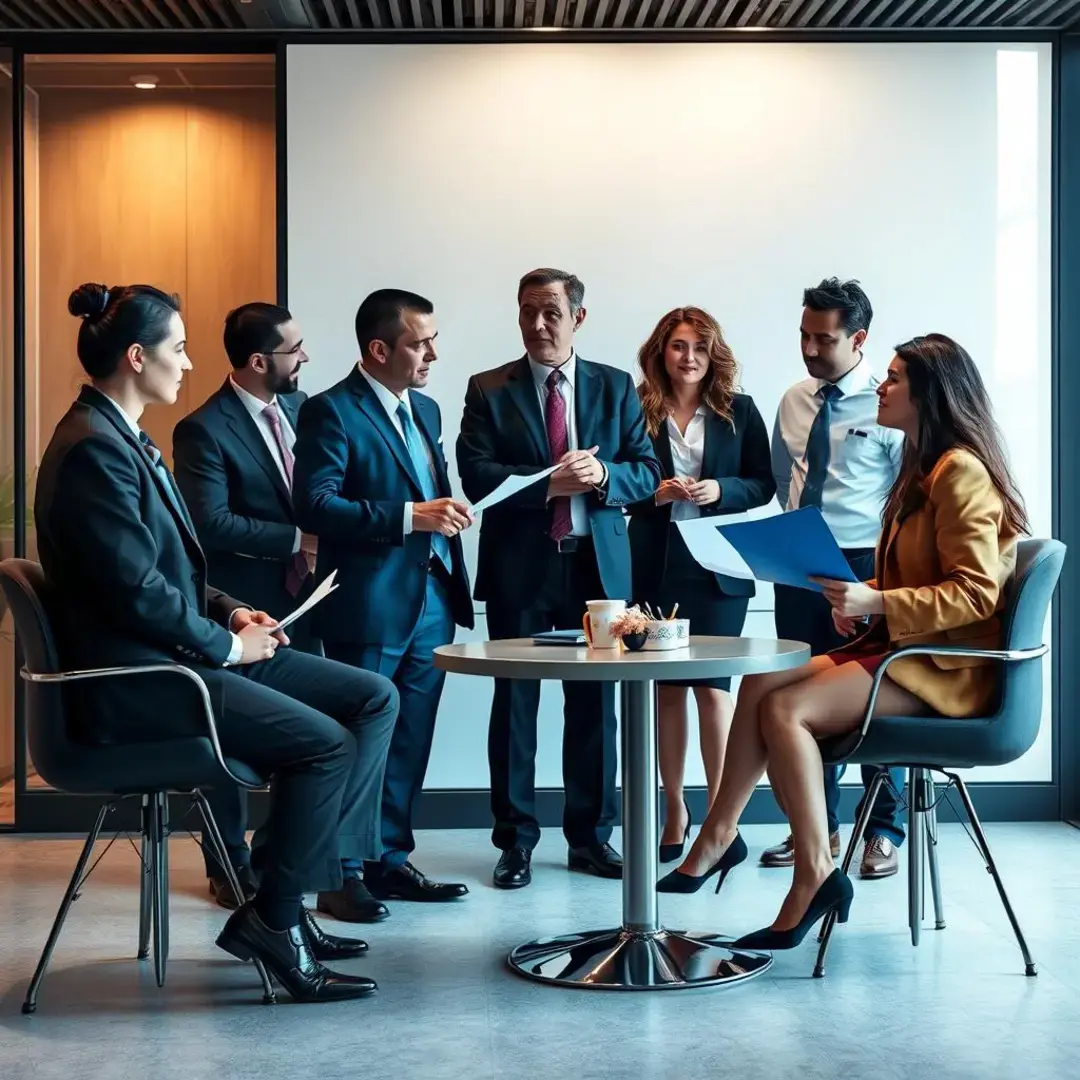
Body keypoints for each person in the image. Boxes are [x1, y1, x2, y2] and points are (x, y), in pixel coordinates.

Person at [35, 282, 399, 1002]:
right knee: (324, 744)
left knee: (371, 698)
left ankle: (279, 902)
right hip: (144, 682)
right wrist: (229, 650)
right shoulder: (92, 453)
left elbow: (170, 569)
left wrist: (234, 615)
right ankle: (277, 915)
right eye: (177, 348)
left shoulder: (119, 439)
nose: (191, 363)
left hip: (180, 658)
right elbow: (137, 594)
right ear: (137, 357)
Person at [658, 333, 1027, 951]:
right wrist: (862, 598)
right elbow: (924, 572)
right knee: (764, 678)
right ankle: (720, 834)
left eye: (893, 379)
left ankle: (814, 874)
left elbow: (976, 594)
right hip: (903, 649)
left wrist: (875, 601)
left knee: (785, 708)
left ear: (929, 394)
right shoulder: (924, 467)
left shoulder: (959, 471)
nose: (880, 387)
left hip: (943, 670)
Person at [457, 267, 662, 889]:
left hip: (598, 566)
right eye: (527, 311)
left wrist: (602, 481)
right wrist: (550, 483)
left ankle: (590, 838)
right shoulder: (489, 388)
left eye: (550, 311)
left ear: (579, 316)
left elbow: (646, 471)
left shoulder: (615, 385)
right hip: (524, 563)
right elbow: (476, 477)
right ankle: (515, 841)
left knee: (597, 707)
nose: (538, 324)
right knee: (515, 704)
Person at [293, 289, 475, 914]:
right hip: (367, 604)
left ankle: (389, 860)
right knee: (357, 741)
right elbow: (314, 506)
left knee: (410, 739)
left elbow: (431, 490)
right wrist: (409, 516)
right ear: (379, 349)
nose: (432, 353)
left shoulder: (424, 410)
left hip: (433, 599)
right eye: (419, 342)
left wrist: (445, 513)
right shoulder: (330, 412)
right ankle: (340, 875)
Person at [173, 302, 325, 911]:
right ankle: (226, 865)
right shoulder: (203, 429)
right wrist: (297, 539)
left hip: (306, 598)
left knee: (310, 728)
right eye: (295, 350)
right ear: (260, 362)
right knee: (228, 740)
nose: (305, 358)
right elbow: (209, 524)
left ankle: (277, 858)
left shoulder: (304, 409)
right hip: (239, 604)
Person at [766, 277, 907, 879]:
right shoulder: (794, 399)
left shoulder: (892, 403)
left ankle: (883, 832)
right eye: (804, 335)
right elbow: (783, 477)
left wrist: (883, 576)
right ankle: (815, 830)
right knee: (799, 692)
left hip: (868, 565)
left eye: (823, 339)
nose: (810, 349)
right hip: (802, 564)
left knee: (875, 693)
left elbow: (908, 492)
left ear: (858, 339)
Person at [628, 307, 774, 863]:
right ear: (660, 351)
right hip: (657, 565)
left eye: (699, 348)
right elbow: (617, 482)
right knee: (667, 691)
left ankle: (720, 818)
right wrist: (654, 495)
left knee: (715, 692)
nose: (688, 358)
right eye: (678, 346)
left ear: (713, 355)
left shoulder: (740, 411)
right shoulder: (635, 409)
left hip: (719, 568)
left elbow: (762, 483)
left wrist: (719, 490)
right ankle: (674, 810)